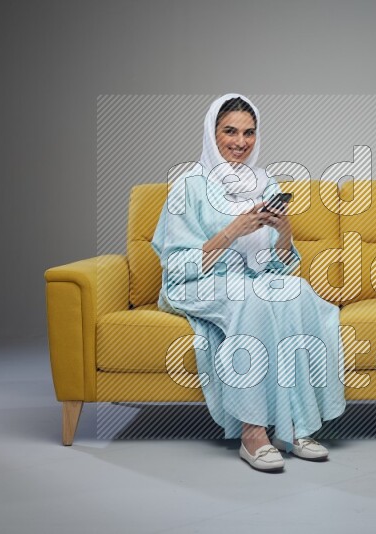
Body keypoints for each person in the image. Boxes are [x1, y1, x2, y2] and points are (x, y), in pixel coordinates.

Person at [151, 94, 347, 472]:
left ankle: (297, 426)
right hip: (199, 281)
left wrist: (284, 231)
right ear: (212, 134)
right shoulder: (189, 186)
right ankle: (252, 432)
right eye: (230, 131)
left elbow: (278, 267)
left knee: (298, 292)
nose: (240, 142)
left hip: (251, 279)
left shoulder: (264, 182)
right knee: (249, 299)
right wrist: (232, 231)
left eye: (249, 132)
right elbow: (176, 265)